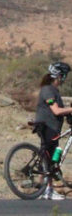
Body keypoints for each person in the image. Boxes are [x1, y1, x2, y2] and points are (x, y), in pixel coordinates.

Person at [35, 61, 72, 201]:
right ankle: (47, 190)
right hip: (47, 126)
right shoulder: (48, 90)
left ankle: (44, 189)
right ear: (59, 76)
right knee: (49, 158)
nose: (65, 79)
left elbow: (61, 111)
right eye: (64, 75)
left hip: (52, 127)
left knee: (49, 157)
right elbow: (56, 110)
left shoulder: (53, 90)